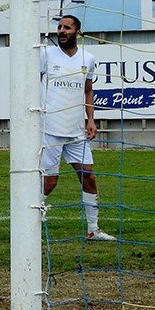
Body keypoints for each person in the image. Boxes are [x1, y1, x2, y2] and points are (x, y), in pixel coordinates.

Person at [41, 14, 115, 241]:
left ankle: (93, 229)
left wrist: (90, 119)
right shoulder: (45, 54)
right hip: (49, 129)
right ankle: (30, 221)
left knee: (89, 176)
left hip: (76, 131)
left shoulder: (88, 58)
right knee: (49, 182)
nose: (61, 31)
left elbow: (87, 90)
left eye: (67, 27)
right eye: (59, 27)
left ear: (78, 32)